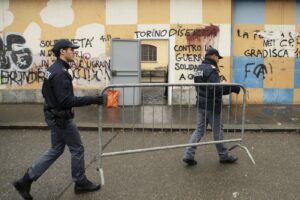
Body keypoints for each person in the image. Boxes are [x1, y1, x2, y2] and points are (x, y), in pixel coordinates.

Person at [13, 39, 103, 199]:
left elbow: (44, 91)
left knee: (56, 149)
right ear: (62, 51)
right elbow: (66, 101)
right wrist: (93, 99)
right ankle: (80, 182)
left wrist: (52, 108)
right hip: (61, 118)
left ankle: (25, 181)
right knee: (77, 149)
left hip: (54, 115)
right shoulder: (60, 72)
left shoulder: (53, 69)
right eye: (71, 49)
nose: (74, 52)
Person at [183, 48, 240, 166]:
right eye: (218, 58)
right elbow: (216, 89)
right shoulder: (212, 70)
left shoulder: (199, 68)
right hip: (212, 105)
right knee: (218, 131)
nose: (218, 60)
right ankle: (224, 156)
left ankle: (188, 154)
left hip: (201, 104)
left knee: (199, 130)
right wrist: (233, 88)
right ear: (213, 56)